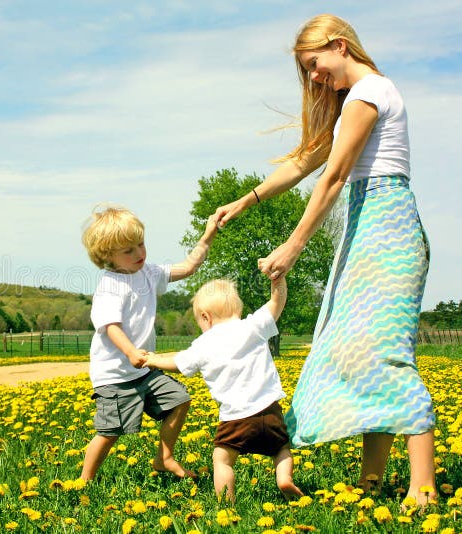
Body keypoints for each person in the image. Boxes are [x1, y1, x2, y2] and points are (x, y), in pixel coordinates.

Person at [212, 14, 436, 507]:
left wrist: (292, 248)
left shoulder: (369, 93)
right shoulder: (352, 103)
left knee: (383, 355)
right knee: (359, 354)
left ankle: (424, 490)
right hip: (369, 226)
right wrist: (245, 201)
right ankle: (371, 484)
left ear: (340, 45)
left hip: (388, 228)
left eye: (315, 65)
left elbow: (333, 178)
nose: (314, 78)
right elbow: (301, 163)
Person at [79, 204, 218, 480]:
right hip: (116, 376)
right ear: (107, 255)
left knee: (179, 400)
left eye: (141, 244)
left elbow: (189, 267)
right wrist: (130, 351)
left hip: (144, 370)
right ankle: (84, 481)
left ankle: (164, 458)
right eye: (128, 250)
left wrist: (208, 235)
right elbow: (110, 327)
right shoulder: (110, 285)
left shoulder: (148, 273)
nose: (139, 253)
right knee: (109, 432)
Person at [145, 277, 303, 503]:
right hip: (271, 413)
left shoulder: (204, 343)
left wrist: (154, 360)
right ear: (237, 309)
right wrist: (278, 278)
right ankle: (284, 478)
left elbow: (179, 364)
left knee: (222, 460)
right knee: (281, 449)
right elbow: (277, 301)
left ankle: (226, 504)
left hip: (235, 419)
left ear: (206, 317)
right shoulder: (253, 326)